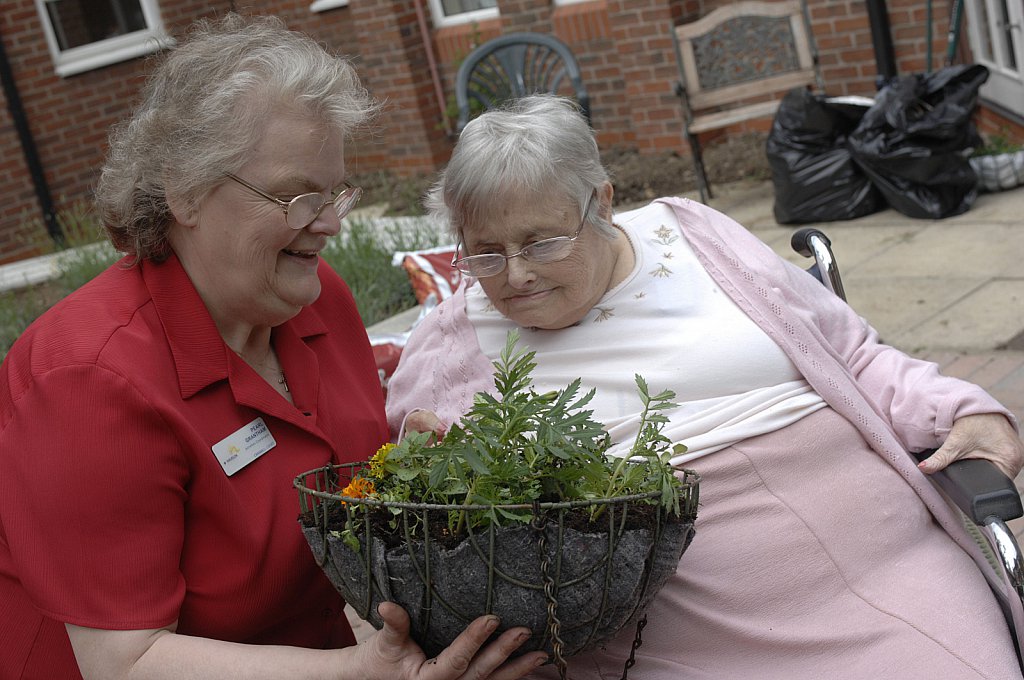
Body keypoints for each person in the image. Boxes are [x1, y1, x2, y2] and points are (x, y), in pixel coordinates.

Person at [385, 94, 1024, 679]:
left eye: (542, 242)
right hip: (683, 629)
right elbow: (410, 497)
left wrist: (956, 409)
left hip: (892, 564)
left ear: (601, 203)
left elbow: (850, 350)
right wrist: (432, 460)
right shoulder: (456, 341)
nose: (515, 275)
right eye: (485, 252)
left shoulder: (692, 236)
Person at [0, 15, 548, 680]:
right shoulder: (87, 376)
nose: (331, 224)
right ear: (186, 191)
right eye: (296, 196)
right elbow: (124, 661)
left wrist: (401, 480)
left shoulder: (318, 303)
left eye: (336, 191)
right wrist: (361, 674)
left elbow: (325, 498)